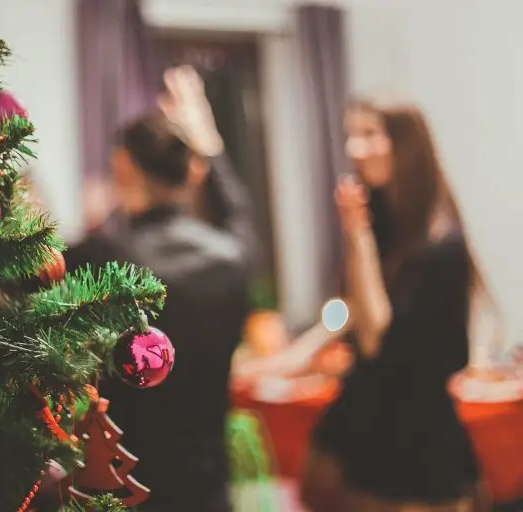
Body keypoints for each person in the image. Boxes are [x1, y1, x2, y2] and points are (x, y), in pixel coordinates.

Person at [64, 66, 258, 511]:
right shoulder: (233, 254)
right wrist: (210, 143)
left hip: (128, 486)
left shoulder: (103, 254)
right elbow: (238, 211)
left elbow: (23, 273)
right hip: (209, 488)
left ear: (123, 167)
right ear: (192, 171)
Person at [297, 93, 490, 511]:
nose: (353, 149)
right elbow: (350, 309)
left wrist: (358, 236)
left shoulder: (441, 244)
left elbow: (374, 336)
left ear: (404, 144)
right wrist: (294, 355)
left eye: (369, 134)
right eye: (350, 134)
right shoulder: (384, 224)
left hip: (417, 448)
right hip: (368, 432)